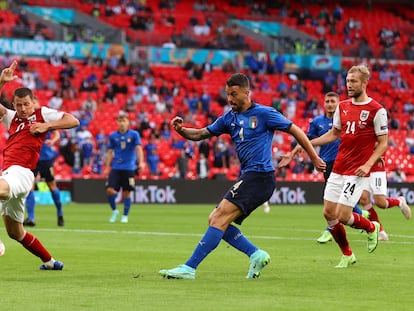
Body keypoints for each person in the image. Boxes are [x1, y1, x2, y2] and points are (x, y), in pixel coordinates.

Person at [159, 73, 326, 280]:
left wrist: (314, 158)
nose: (229, 99)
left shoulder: (265, 114)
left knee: (219, 217)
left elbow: (297, 131)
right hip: (250, 176)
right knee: (216, 219)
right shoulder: (229, 118)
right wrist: (181, 130)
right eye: (227, 94)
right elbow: (201, 134)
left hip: (261, 177)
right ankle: (256, 254)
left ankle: (189, 268)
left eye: (234, 94)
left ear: (247, 93)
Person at [295, 65, 387, 268]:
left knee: (344, 216)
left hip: (357, 171)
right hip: (338, 167)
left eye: (353, 81)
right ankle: (347, 254)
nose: (349, 85)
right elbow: (334, 134)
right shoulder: (342, 106)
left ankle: (371, 227)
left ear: (364, 83)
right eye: (347, 81)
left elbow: (383, 142)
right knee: (328, 213)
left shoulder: (377, 110)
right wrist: (309, 144)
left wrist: (368, 164)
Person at [0, 60, 80, 270]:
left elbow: (73, 121)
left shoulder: (42, 113)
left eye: (26, 104)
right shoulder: (12, 118)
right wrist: (1, 82)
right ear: (14, 104)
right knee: (15, 233)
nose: (23, 109)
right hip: (12, 175)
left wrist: (47, 125)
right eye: (18, 105)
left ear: (33, 101)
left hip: (21, 172)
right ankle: (50, 262)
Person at [280, 92, 370, 244]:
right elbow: (306, 141)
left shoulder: (346, 120)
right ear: (324, 103)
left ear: (338, 103)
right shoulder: (316, 122)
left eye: (333, 101)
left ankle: (330, 230)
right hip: (326, 163)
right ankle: (362, 216)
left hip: (345, 162)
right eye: (327, 101)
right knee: (341, 199)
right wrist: (292, 153)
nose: (330, 104)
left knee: (338, 200)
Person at [104, 111, 145, 224]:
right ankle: (114, 211)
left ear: (128, 123)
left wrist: (141, 162)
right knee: (109, 190)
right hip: (116, 167)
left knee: (127, 193)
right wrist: (107, 167)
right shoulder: (113, 136)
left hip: (129, 168)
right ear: (117, 122)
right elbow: (109, 152)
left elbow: (138, 149)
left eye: (124, 121)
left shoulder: (134, 134)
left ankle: (125, 216)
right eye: (120, 121)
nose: (122, 123)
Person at [359, 158, 411, 241]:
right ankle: (381, 232)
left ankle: (399, 202)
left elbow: (381, 145)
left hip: (376, 168)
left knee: (380, 203)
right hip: (364, 167)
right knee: (363, 199)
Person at [23, 130, 65, 227]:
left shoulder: (45, 118)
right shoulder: (27, 120)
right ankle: (31, 218)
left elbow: (57, 133)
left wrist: (53, 141)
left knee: (52, 186)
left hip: (45, 158)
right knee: (29, 187)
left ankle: (60, 213)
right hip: (32, 158)